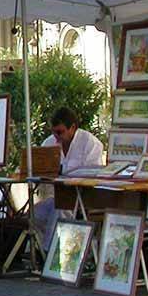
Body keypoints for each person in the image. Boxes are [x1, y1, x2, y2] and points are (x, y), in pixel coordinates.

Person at [33, 107, 104, 250]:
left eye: (60, 132)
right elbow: (39, 172)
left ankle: (50, 253)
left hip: (83, 198)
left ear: (72, 128)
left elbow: (92, 176)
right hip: (56, 197)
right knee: (34, 215)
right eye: (53, 132)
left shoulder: (90, 143)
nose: (56, 136)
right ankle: (41, 251)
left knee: (60, 209)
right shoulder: (49, 143)